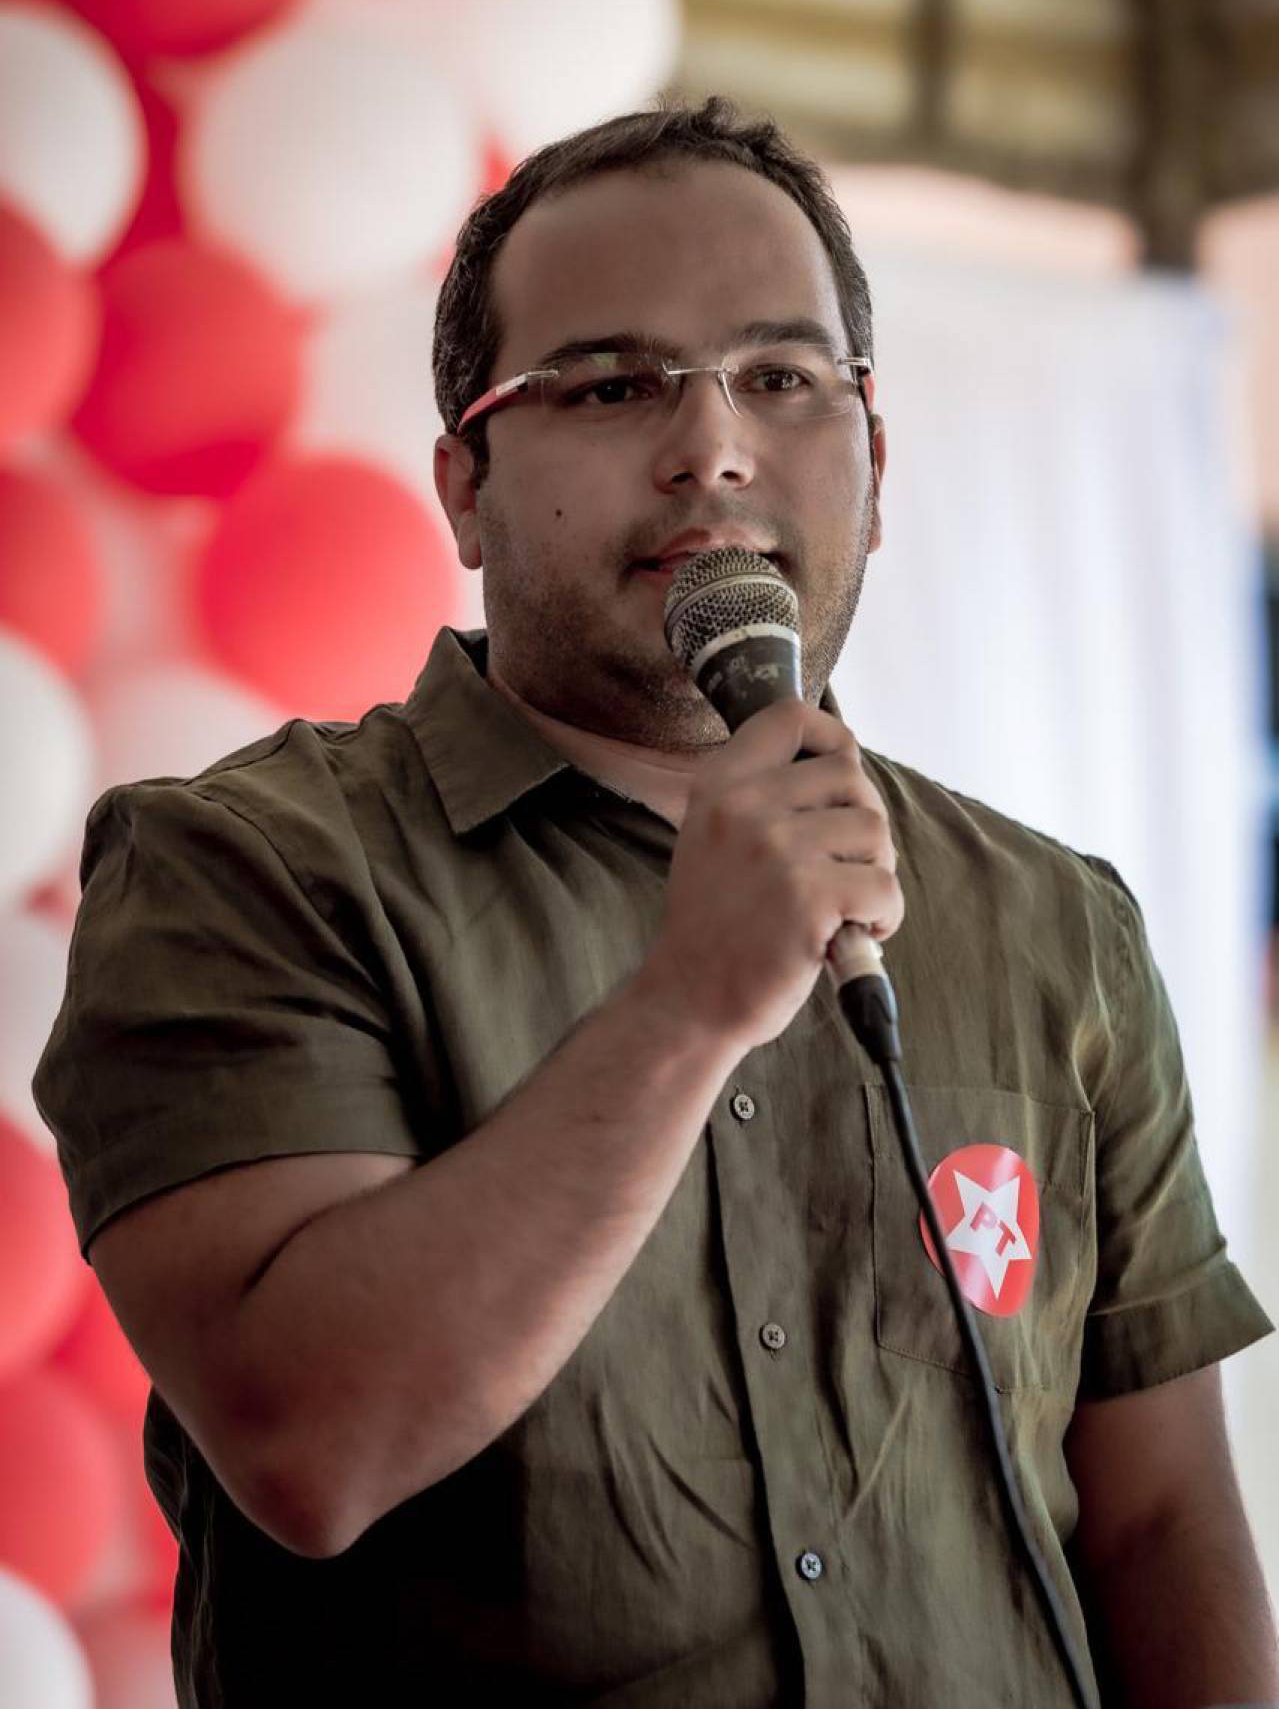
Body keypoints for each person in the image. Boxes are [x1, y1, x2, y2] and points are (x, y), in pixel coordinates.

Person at [33, 95, 1278, 1708]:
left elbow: (1165, 1520)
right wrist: (690, 1008)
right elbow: (310, 1447)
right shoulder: (249, 870)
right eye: (614, 386)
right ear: (465, 486)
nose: (713, 448)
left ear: (876, 466)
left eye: (782, 379)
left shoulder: (1053, 922)